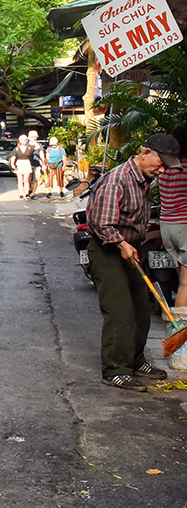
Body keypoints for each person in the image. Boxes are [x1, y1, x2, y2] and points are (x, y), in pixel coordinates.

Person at [86, 133, 181, 390]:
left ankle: (137, 361)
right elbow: (101, 222)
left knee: (141, 309)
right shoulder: (117, 180)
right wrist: (121, 243)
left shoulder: (144, 180)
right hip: (109, 250)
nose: (161, 170)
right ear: (145, 152)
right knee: (120, 313)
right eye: (160, 163)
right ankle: (115, 369)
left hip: (131, 249)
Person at [157, 123, 187, 312]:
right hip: (184, 224)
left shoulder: (166, 168)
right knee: (186, 284)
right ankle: (181, 333)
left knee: (182, 282)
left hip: (166, 225)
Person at [8, 135, 34, 199]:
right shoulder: (17, 149)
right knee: (20, 180)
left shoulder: (30, 148)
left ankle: (27, 193)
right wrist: (12, 164)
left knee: (26, 180)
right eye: (23, 140)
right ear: (20, 141)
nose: (24, 141)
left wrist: (31, 139)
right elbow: (13, 157)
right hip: (19, 164)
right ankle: (21, 194)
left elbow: (37, 147)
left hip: (27, 163)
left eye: (26, 140)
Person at [26, 129, 43, 198]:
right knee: (28, 179)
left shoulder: (39, 145)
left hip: (37, 163)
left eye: (35, 137)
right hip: (28, 163)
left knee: (35, 179)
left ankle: (33, 193)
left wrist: (44, 163)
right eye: (32, 137)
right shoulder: (26, 144)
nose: (34, 138)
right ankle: (29, 190)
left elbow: (41, 154)